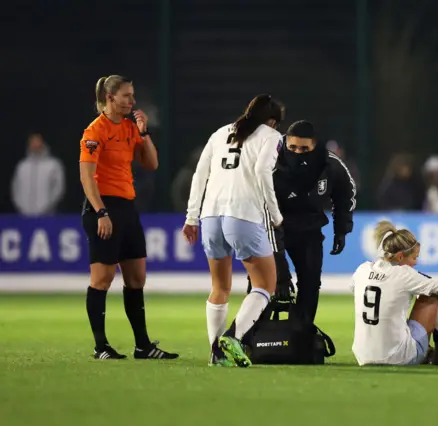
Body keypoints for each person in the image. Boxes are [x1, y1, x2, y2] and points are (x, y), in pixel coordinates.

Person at [79, 75, 178, 360]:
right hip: (103, 207)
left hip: (127, 207)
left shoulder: (129, 127)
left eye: (133, 96)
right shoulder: (94, 131)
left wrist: (144, 133)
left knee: (136, 278)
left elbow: (152, 163)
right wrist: (101, 212)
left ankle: (143, 346)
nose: (132, 102)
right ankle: (101, 346)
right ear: (109, 98)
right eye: (126, 96)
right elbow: (87, 177)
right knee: (102, 278)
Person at [182, 94, 285, 367]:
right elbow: (264, 171)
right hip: (243, 214)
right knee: (265, 285)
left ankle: (216, 354)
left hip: (211, 215)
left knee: (219, 287)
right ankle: (233, 337)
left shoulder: (220, 133)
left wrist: (192, 217)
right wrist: (275, 214)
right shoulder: (271, 136)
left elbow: (199, 174)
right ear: (272, 121)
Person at [249, 120, 356, 324]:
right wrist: (280, 271)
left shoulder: (330, 164)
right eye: (293, 147)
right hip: (269, 228)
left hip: (309, 230)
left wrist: (341, 230)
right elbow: (263, 214)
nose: (298, 152)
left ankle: (301, 334)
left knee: (310, 283)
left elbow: (345, 195)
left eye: (304, 148)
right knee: (262, 283)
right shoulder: (267, 163)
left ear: (315, 146)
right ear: (285, 143)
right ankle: (252, 336)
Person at [351, 220, 438, 366]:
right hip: (397, 357)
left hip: (362, 356)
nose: (415, 263)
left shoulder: (362, 269)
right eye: (414, 257)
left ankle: (429, 350)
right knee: (434, 294)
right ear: (400, 256)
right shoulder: (404, 274)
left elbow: (354, 288)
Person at [11, 132, 65, 216]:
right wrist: (21, 208)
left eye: (37, 141)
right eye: (32, 142)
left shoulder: (53, 165)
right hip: (24, 216)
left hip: (47, 215)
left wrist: (47, 207)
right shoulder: (22, 166)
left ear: (43, 143)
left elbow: (58, 189)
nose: (35, 145)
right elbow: (15, 188)